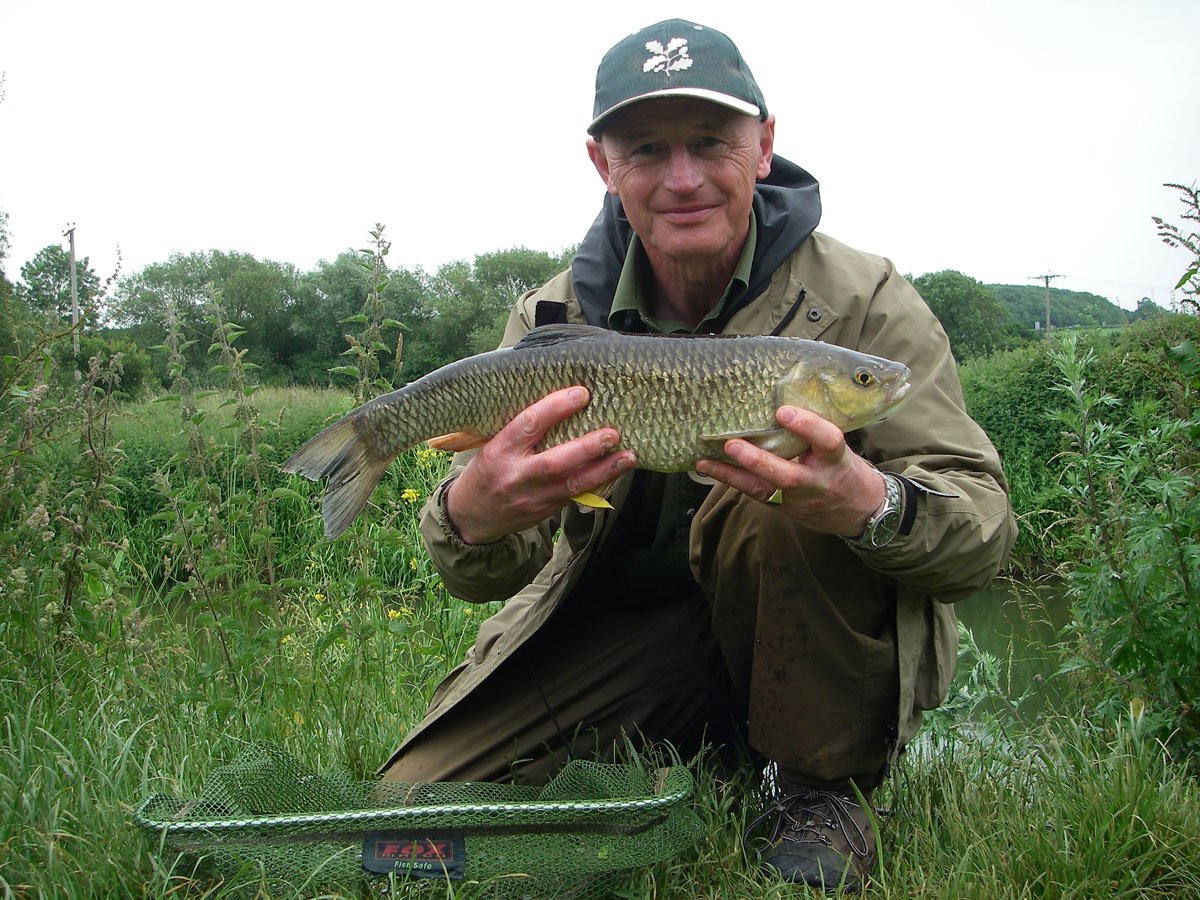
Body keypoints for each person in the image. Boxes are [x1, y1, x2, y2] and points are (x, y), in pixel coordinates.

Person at [378, 19, 1016, 892]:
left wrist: (871, 503)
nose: (683, 178)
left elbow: (981, 536)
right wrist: (472, 515)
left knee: (777, 493)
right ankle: (704, 731)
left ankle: (817, 783)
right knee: (411, 817)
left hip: (808, 622)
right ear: (603, 165)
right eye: (647, 149)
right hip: (631, 627)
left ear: (764, 146)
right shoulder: (552, 319)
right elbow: (486, 572)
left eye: (712, 141)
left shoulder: (865, 301)